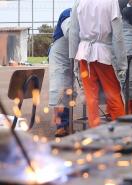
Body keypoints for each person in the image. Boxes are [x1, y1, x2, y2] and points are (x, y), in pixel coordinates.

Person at [69, 0, 127, 128]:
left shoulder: (79, 2)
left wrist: (73, 59)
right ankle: (122, 131)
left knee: (91, 98)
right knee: (113, 95)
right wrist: (122, 63)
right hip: (104, 55)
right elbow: (118, 36)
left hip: (84, 55)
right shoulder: (111, 2)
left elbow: (73, 33)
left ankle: (94, 133)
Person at [49, 8, 75, 137]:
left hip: (71, 55)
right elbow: (70, 33)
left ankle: (67, 124)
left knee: (68, 91)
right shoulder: (68, 13)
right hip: (60, 56)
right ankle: (61, 126)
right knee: (60, 89)